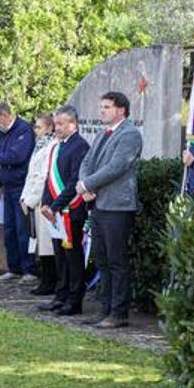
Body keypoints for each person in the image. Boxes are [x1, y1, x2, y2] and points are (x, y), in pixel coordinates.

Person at [77, 91, 143, 329]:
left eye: (107, 107)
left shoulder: (130, 134)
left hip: (117, 206)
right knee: (102, 260)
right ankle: (104, 309)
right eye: (101, 106)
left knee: (117, 261)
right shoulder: (103, 133)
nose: (102, 111)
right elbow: (87, 162)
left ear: (121, 110)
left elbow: (117, 167)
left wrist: (87, 185)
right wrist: (84, 185)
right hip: (99, 204)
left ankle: (119, 313)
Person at [37, 106, 90, 316]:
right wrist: (45, 203)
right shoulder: (57, 146)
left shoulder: (80, 146)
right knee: (60, 256)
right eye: (55, 124)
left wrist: (55, 206)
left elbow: (74, 181)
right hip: (56, 212)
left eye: (60, 124)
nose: (56, 128)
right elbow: (49, 177)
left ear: (73, 124)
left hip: (71, 211)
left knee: (73, 257)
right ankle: (61, 296)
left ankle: (74, 300)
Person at [0, 101, 37, 281]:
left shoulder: (23, 130)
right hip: (6, 188)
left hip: (21, 187)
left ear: (5, 115)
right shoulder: (1, 132)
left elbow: (17, 157)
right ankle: (13, 267)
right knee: (9, 230)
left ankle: (29, 269)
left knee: (22, 229)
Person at [19, 114, 58, 295]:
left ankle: (50, 282)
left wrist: (31, 199)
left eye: (39, 127)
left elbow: (43, 176)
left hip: (44, 199)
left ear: (49, 128)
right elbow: (31, 175)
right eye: (35, 127)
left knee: (47, 244)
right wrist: (24, 197)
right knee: (40, 242)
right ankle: (46, 280)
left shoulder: (51, 146)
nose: (35, 130)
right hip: (34, 199)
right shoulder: (39, 146)